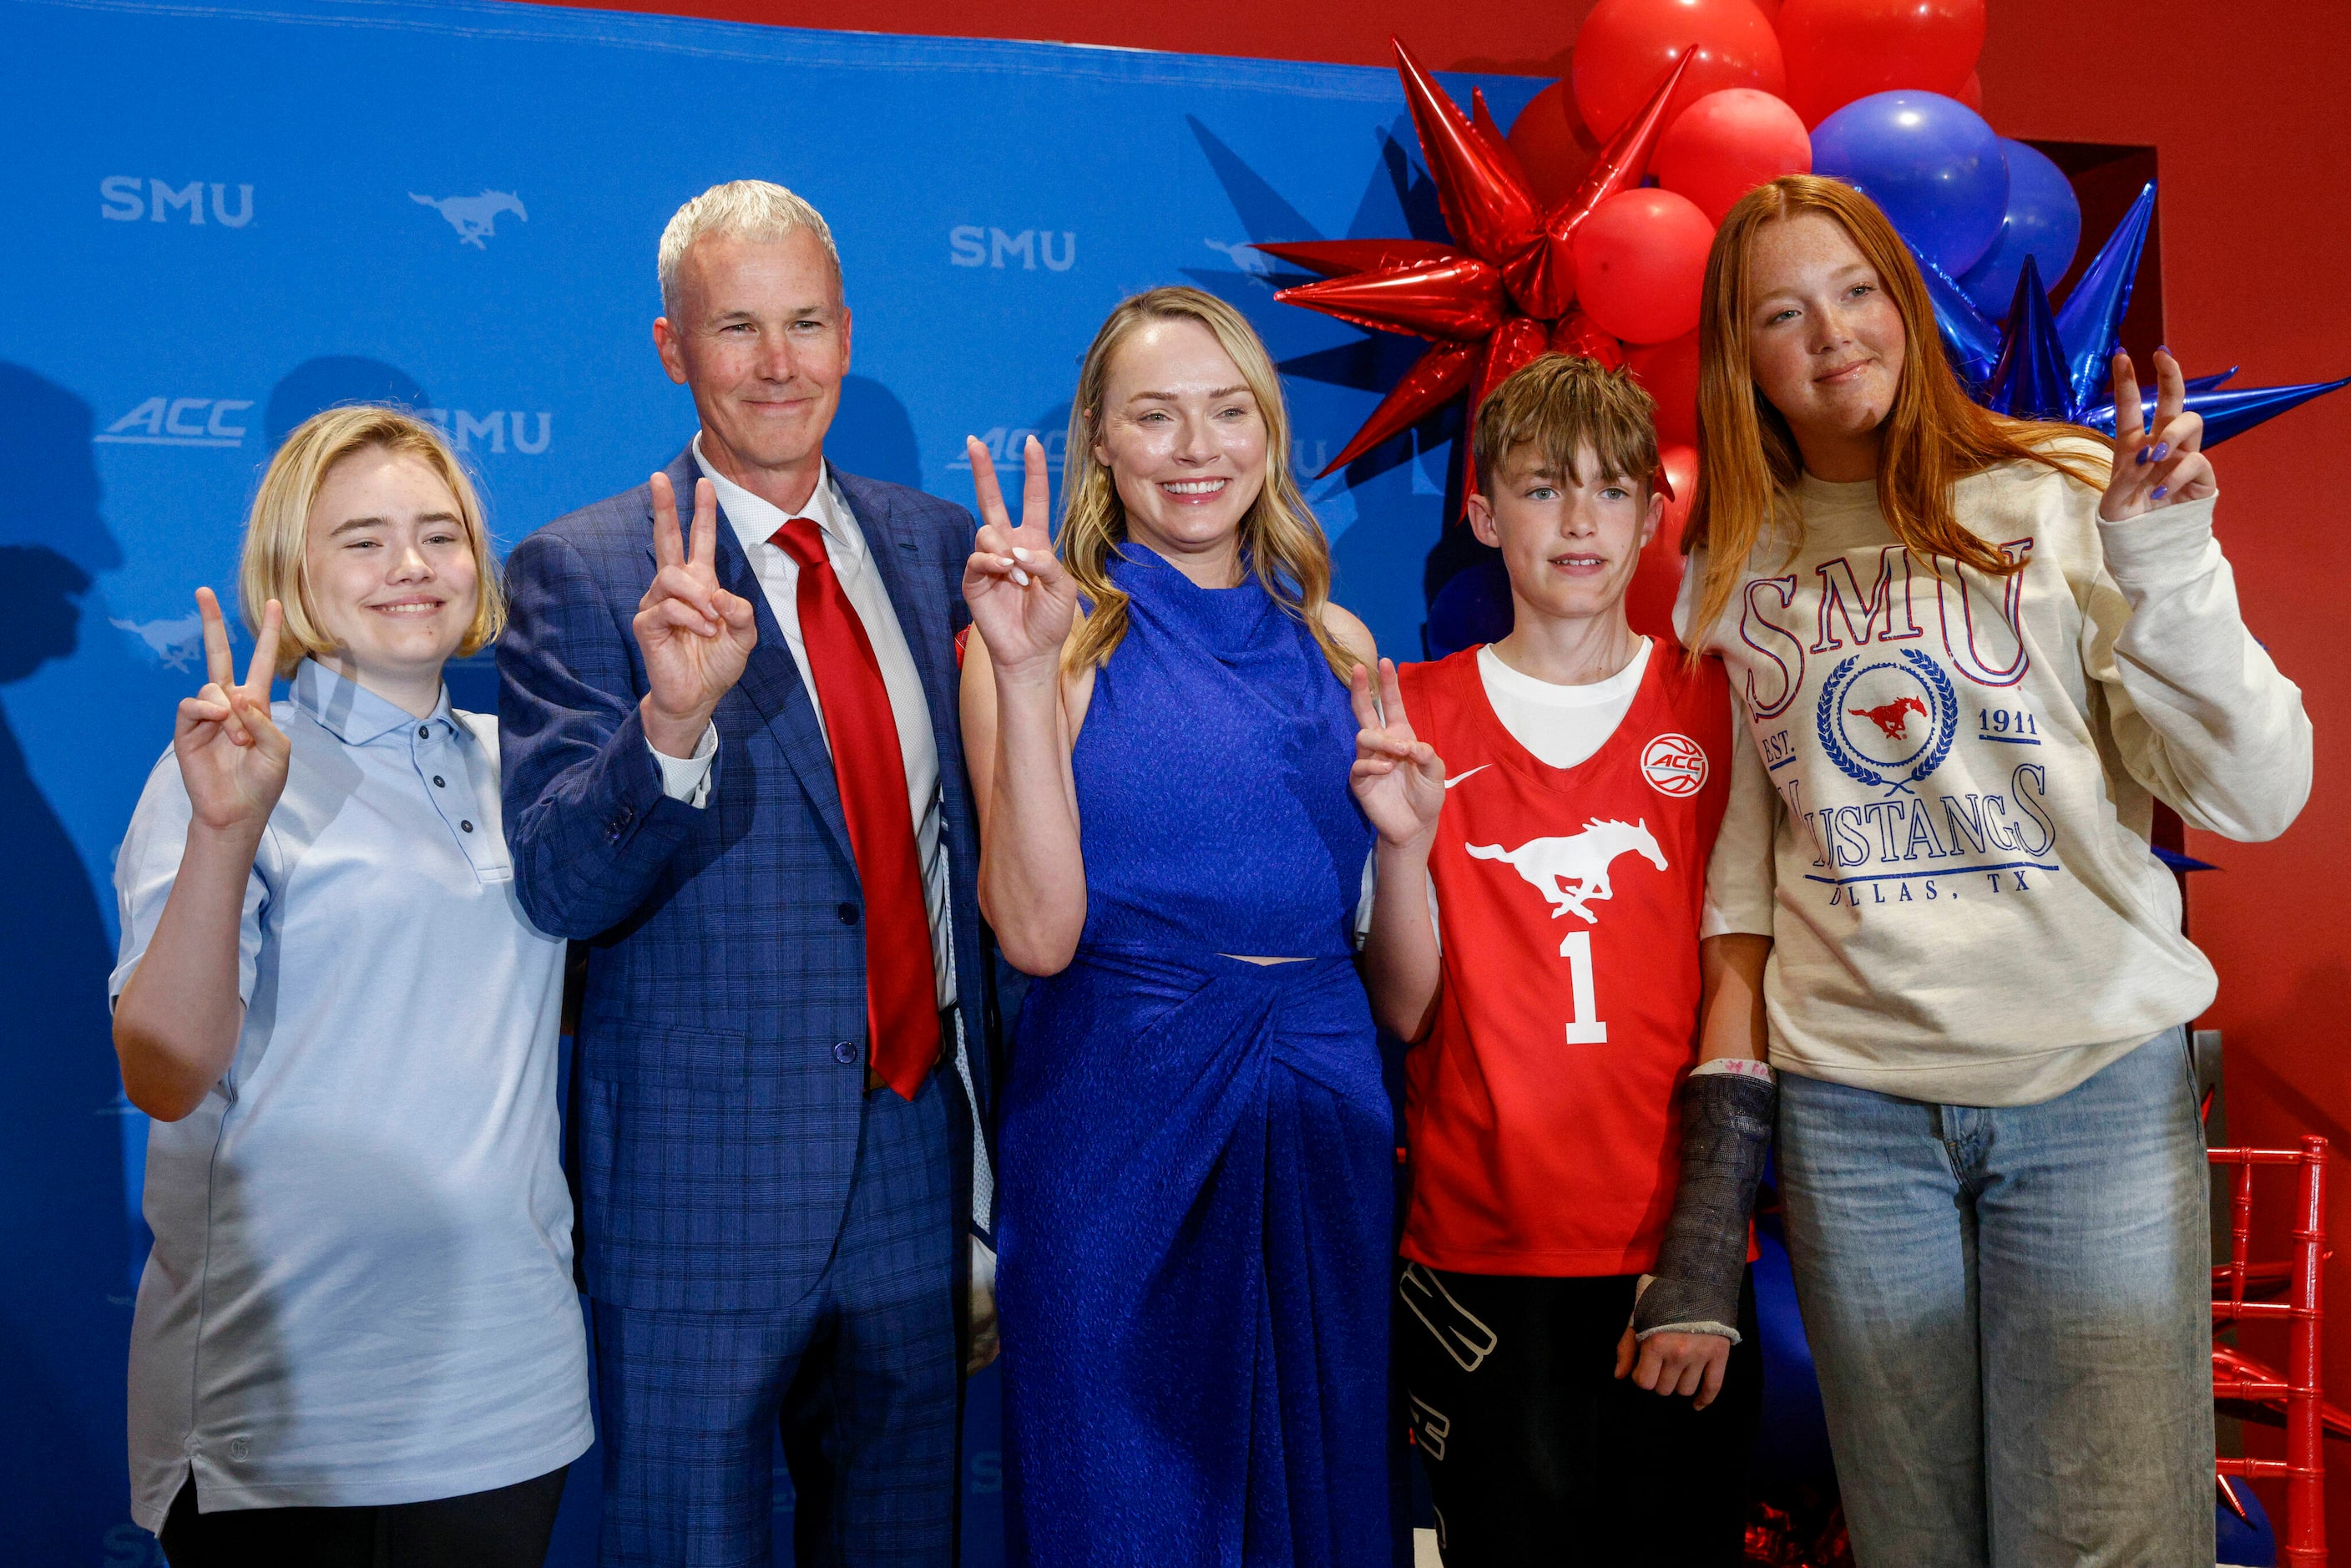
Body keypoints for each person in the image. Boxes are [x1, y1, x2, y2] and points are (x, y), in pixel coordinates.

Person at [1678, 175, 2313, 1566]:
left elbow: (2256, 792)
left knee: (2103, 1542)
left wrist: (2169, 556)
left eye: (1856, 293)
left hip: (2090, 1084)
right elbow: (1754, 837)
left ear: (1905, 304)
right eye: (1783, 314)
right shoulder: (1734, 562)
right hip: (1854, 1115)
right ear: (1744, 363)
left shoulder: (2066, 490)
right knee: (1915, 1541)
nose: (1833, 334)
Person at [496, 180, 996, 1567]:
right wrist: (667, 729)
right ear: (673, 348)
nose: (779, 363)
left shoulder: (940, 549)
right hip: (694, 1201)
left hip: (912, 1166)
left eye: (807, 322)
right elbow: (558, 889)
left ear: (848, 332)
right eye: (736, 327)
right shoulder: (582, 571)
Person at [959, 286, 1401, 1566]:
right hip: (1116, 1132)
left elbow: (1392, 961)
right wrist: (1031, 673)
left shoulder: (1340, 643)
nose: (1196, 448)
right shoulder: (1037, 639)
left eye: (1227, 413)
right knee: (1127, 1513)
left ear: (1269, 432)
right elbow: (1034, 936)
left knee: (1316, 1510)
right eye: (1155, 416)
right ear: (1100, 439)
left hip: (1320, 1119)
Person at [109, 406, 591, 1566]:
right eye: (363, 539)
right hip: (283, 1414)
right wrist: (229, 831)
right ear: (292, 568)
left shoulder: (525, 765)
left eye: (439, 533)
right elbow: (165, 1073)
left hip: (505, 1400)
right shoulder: (222, 771)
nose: (411, 568)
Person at [1350, 354, 1770, 1565]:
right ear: (1485, 513)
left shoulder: (1715, 702)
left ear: (1653, 512)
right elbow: (1406, 1004)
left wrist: (1701, 1246)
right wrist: (1403, 850)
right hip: (1482, 1251)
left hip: (1668, 1259)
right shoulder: (1412, 708)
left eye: (1609, 488)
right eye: (1542, 488)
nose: (1579, 519)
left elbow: (1752, 975)